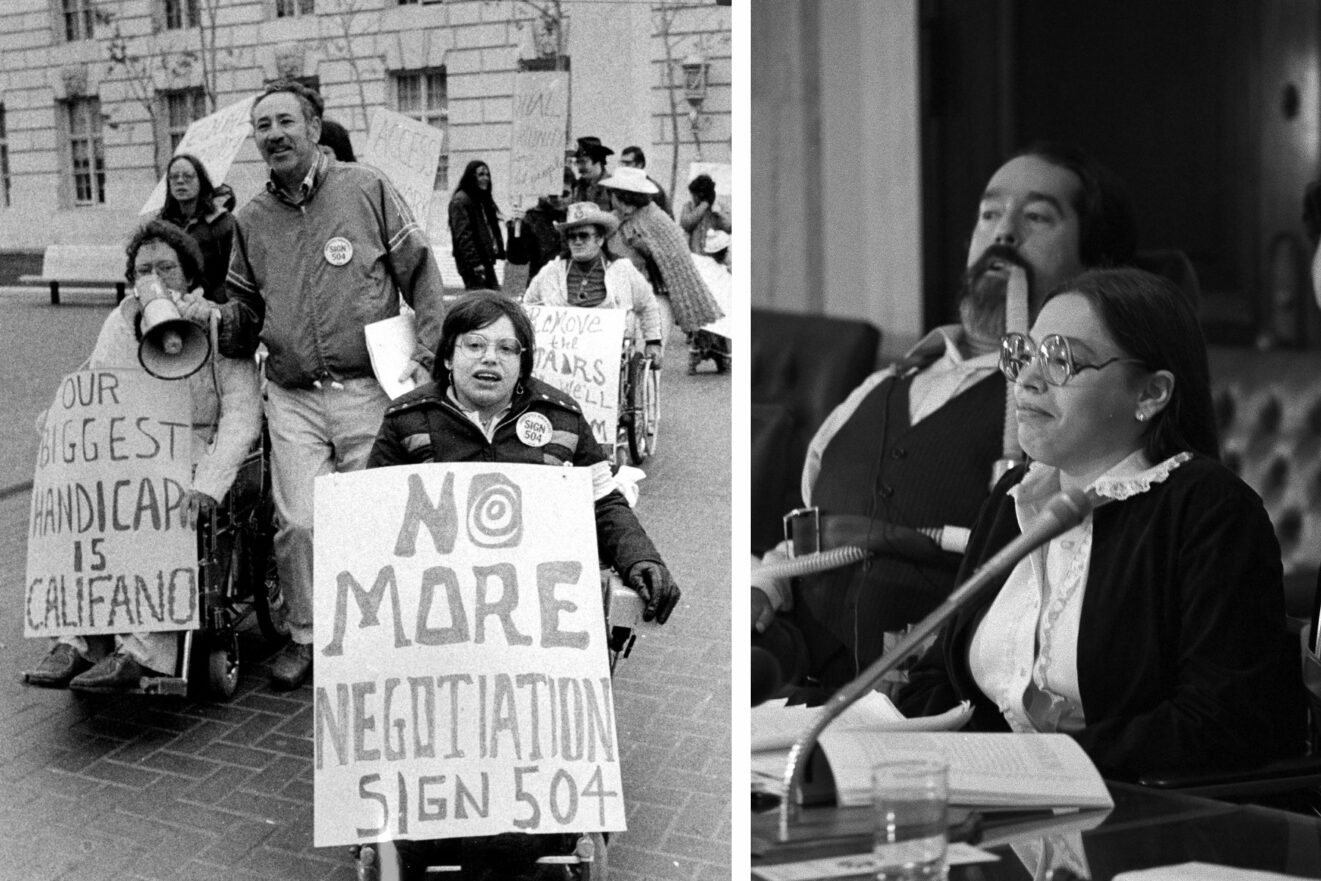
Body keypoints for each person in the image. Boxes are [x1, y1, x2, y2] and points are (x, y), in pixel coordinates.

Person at [752, 142, 1138, 696]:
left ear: (1096, 265)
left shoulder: (1075, 405)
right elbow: (802, 539)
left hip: (946, 711)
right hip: (803, 701)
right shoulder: (877, 388)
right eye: (989, 214)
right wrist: (762, 587)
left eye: (1035, 217)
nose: (1003, 234)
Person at [895, 267, 1303, 781]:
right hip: (994, 804)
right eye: (1025, 353)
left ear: (1151, 394)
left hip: (1144, 822)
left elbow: (1220, 724)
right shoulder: (1014, 497)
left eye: (1061, 359)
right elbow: (937, 677)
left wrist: (1030, 766)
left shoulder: (1210, 511)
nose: (1028, 378)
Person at [204, 80, 447, 690]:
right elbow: (242, 303)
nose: (275, 135)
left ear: (314, 128)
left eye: (286, 121)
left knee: (370, 517)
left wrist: (427, 354)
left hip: (368, 387)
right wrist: (212, 320)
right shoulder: (250, 219)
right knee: (300, 524)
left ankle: (370, 635)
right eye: (263, 126)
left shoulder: (366, 189)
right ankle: (307, 638)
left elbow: (421, 272)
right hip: (292, 394)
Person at [26, 220, 262, 691]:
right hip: (130, 451)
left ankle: (142, 651)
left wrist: (210, 484)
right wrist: (58, 422)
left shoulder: (213, 321)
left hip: (193, 451)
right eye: (143, 269)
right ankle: (76, 641)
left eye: (166, 267)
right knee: (84, 507)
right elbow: (93, 380)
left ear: (189, 273)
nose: (154, 277)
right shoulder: (122, 321)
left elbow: (241, 414)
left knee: (159, 509)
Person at [367, 293, 679, 623]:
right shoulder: (407, 418)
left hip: (537, 610)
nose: (490, 358)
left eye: (506, 348)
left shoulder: (563, 417)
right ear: (447, 357)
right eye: (474, 345)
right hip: (437, 607)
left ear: (522, 363)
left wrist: (641, 558)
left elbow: (603, 502)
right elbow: (372, 512)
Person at [523, 201, 664, 368]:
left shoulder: (622, 270)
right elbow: (528, 305)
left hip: (609, 364)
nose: (577, 241)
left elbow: (648, 305)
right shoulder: (551, 272)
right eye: (571, 236)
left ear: (600, 239)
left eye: (583, 236)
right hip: (559, 362)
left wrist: (653, 341)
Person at [600, 166, 724, 346]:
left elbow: (676, 257)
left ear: (620, 195)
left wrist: (648, 249)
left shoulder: (657, 219)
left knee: (648, 359)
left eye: (611, 193)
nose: (610, 198)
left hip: (653, 297)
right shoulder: (612, 220)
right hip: (619, 298)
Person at [158, 153, 236, 302]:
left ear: (201, 181)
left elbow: (236, 275)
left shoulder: (223, 223)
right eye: (174, 177)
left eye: (187, 176)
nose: (180, 181)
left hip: (214, 307)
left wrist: (207, 297)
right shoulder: (162, 225)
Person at [505, 168, 572, 282]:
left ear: (573, 192)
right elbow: (518, 258)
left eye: (565, 194)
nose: (559, 199)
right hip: (541, 283)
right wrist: (515, 229)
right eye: (553, 195)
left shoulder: (578, 217)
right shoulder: (531, 219)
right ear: (544, 194)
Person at [448, 160, 506, 290]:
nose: (485, 178)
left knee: (491, 300)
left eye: (487, 174)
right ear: (471, 177)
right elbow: (463, 235)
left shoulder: (479, 200)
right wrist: (475, 263)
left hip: (484, 261)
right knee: (482, 302)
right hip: (474, 264)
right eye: (481, 175)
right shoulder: (461, 200)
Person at [679, 173, 731, 256]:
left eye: (694, 195)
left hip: (714, 260)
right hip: (695, 257)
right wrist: (704, 205)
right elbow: (686, 224)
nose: (692, 198)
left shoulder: (720, 207)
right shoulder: (688, 207)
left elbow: (729, 227)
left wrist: (719, 214)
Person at [619, 145, 671, 217]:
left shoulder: (653, 189)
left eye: (627, 163)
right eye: (622, 163)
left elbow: (667, 217)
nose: (623, 167)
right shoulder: (620, 187)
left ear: (639, 165)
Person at [571, 136, 614, 211]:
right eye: (577, 163)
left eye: (583, 162)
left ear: (598, 160)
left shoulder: (613, 187)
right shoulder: (577, 187)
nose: (579, 169)